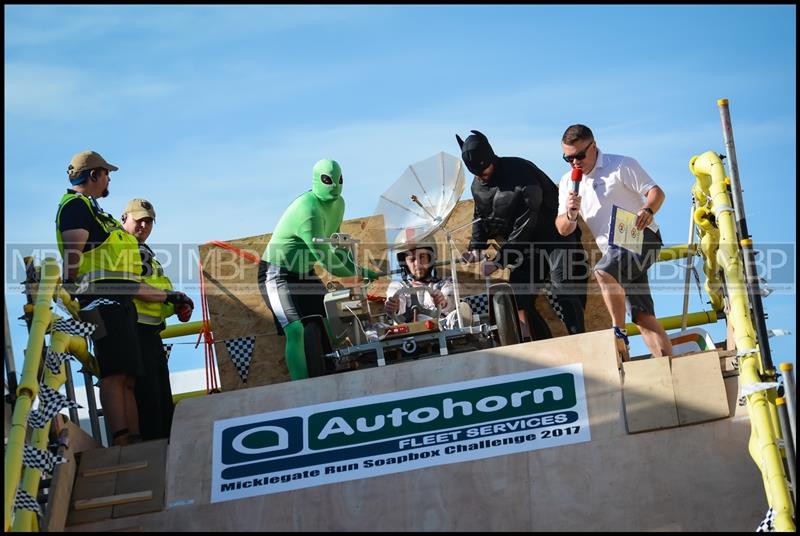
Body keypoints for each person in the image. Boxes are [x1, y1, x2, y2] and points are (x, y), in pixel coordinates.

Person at [56, 150, 191, 446]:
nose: (108, 179)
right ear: (94, 175)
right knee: (116, 374)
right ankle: (121, 437)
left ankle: (132, 437)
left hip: (120, 302)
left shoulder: (94, 211)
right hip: (102, 302)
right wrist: (76, 286)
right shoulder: (77, 206)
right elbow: (72, 257)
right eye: (106, 173)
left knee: (127, 376)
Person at [456, 130, 588, 341]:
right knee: (518, 298)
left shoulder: (521, 173)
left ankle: (580, 340)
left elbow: (526, 223)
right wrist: (475, 248)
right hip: (525, 248)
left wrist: (499, 261)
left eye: (484, 171)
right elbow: (480, 215)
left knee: (563, 287)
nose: (481, 176)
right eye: (476, 173)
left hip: (554, 236)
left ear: (492, 159)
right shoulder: (477, 186)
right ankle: (540, 344)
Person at [555, 124, 673, 357]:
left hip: (640, 234)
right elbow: (563, 229)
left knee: (602, 271)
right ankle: (669, 364)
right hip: (614, 250)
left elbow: (656, 192)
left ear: (594, 146)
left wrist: (648, 210)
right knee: (642, 316)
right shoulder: (568, 182)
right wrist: (570, 213)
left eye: (579, 155)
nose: (575, 163)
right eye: (568, 158)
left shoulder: (620, 165)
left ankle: (618, 332)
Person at [258, 158, 378, 380]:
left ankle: (333, 375)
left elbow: (337, 246)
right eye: (328, 180)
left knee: (329, 322)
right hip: (277, 274)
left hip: (305, 273)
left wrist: (358, 268)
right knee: (295, 330)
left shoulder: (339, 204)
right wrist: (357, 273)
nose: (334, 186)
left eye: (339, 180)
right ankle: (300, 390)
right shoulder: (308, 209)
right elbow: (327, 261)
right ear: (317, 180)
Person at [121, 198, 193, 441]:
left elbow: (153, 295)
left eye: (148, 221)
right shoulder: (124, 248)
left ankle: (163, 449)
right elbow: (133, 288)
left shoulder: (144, 253)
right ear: (124, 219)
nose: (144, 225)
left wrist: (176, 305)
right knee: (150, 399)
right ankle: (153, 449)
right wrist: (170, 298)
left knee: (161, 400)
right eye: (138, 219)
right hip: (133, 330)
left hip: (149, 332)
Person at [384, 242, 470, 329]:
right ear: (405, 264)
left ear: (430, 259)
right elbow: (395, 300)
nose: (417, 264)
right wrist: (395, 306)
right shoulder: (398, 286)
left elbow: (449, 298)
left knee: (460, 315)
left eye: (421, 257)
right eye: (412, 259)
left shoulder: (444, 283)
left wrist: (442, 301)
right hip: (406, 336)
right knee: (373, 331)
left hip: (439, 333)